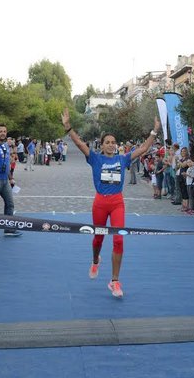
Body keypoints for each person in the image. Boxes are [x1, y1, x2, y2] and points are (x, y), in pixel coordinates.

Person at [61, 108, 158, 298]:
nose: (111, 145)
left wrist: (154, 131)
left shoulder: (123, 159)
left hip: (117, 203)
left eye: (114, 142)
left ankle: (114, 281)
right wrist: (67, 127)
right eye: (108, 142)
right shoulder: (95, 158)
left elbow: (144, 149)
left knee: (119, 239)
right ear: (102, 145)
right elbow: (79, 143)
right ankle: (96, 260)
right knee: (98, 238)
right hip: (100, 203)